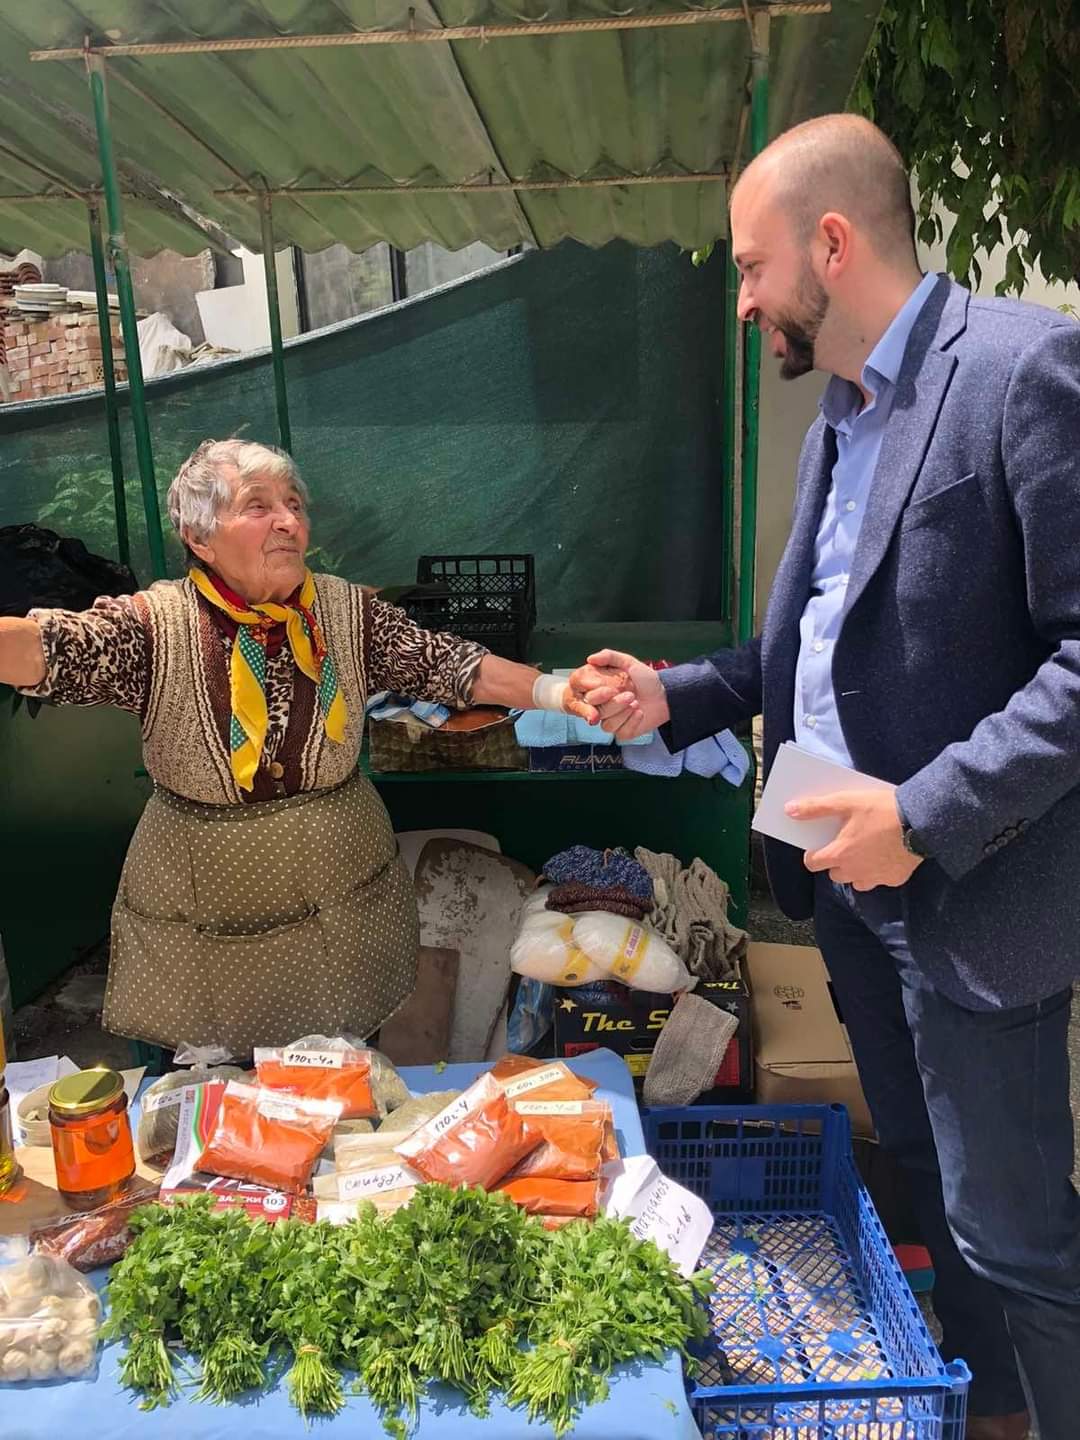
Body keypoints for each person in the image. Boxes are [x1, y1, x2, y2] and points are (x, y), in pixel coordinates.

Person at [572, 115, 1080, 1440]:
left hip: (977, 896)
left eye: (752, 267)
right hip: (848, 894)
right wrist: (677, 694)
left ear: (833, 244)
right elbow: (803, 652)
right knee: (921, 1171)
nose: (743, 301)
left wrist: (921, 814)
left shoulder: (1021, 370)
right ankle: (993, 1412)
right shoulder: (838, 421)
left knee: (1016, 1231)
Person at [0, 437, 601, 1059]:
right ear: (200, 538)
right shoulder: (156, 628)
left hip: (340, 888)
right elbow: (52, 648)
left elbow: (448, 664)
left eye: (293, 504)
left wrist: (558, 692)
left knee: (341, 1066)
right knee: (219, 1078)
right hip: (207, 900)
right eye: (257, 506)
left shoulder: (345, 613)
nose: (288, 520)